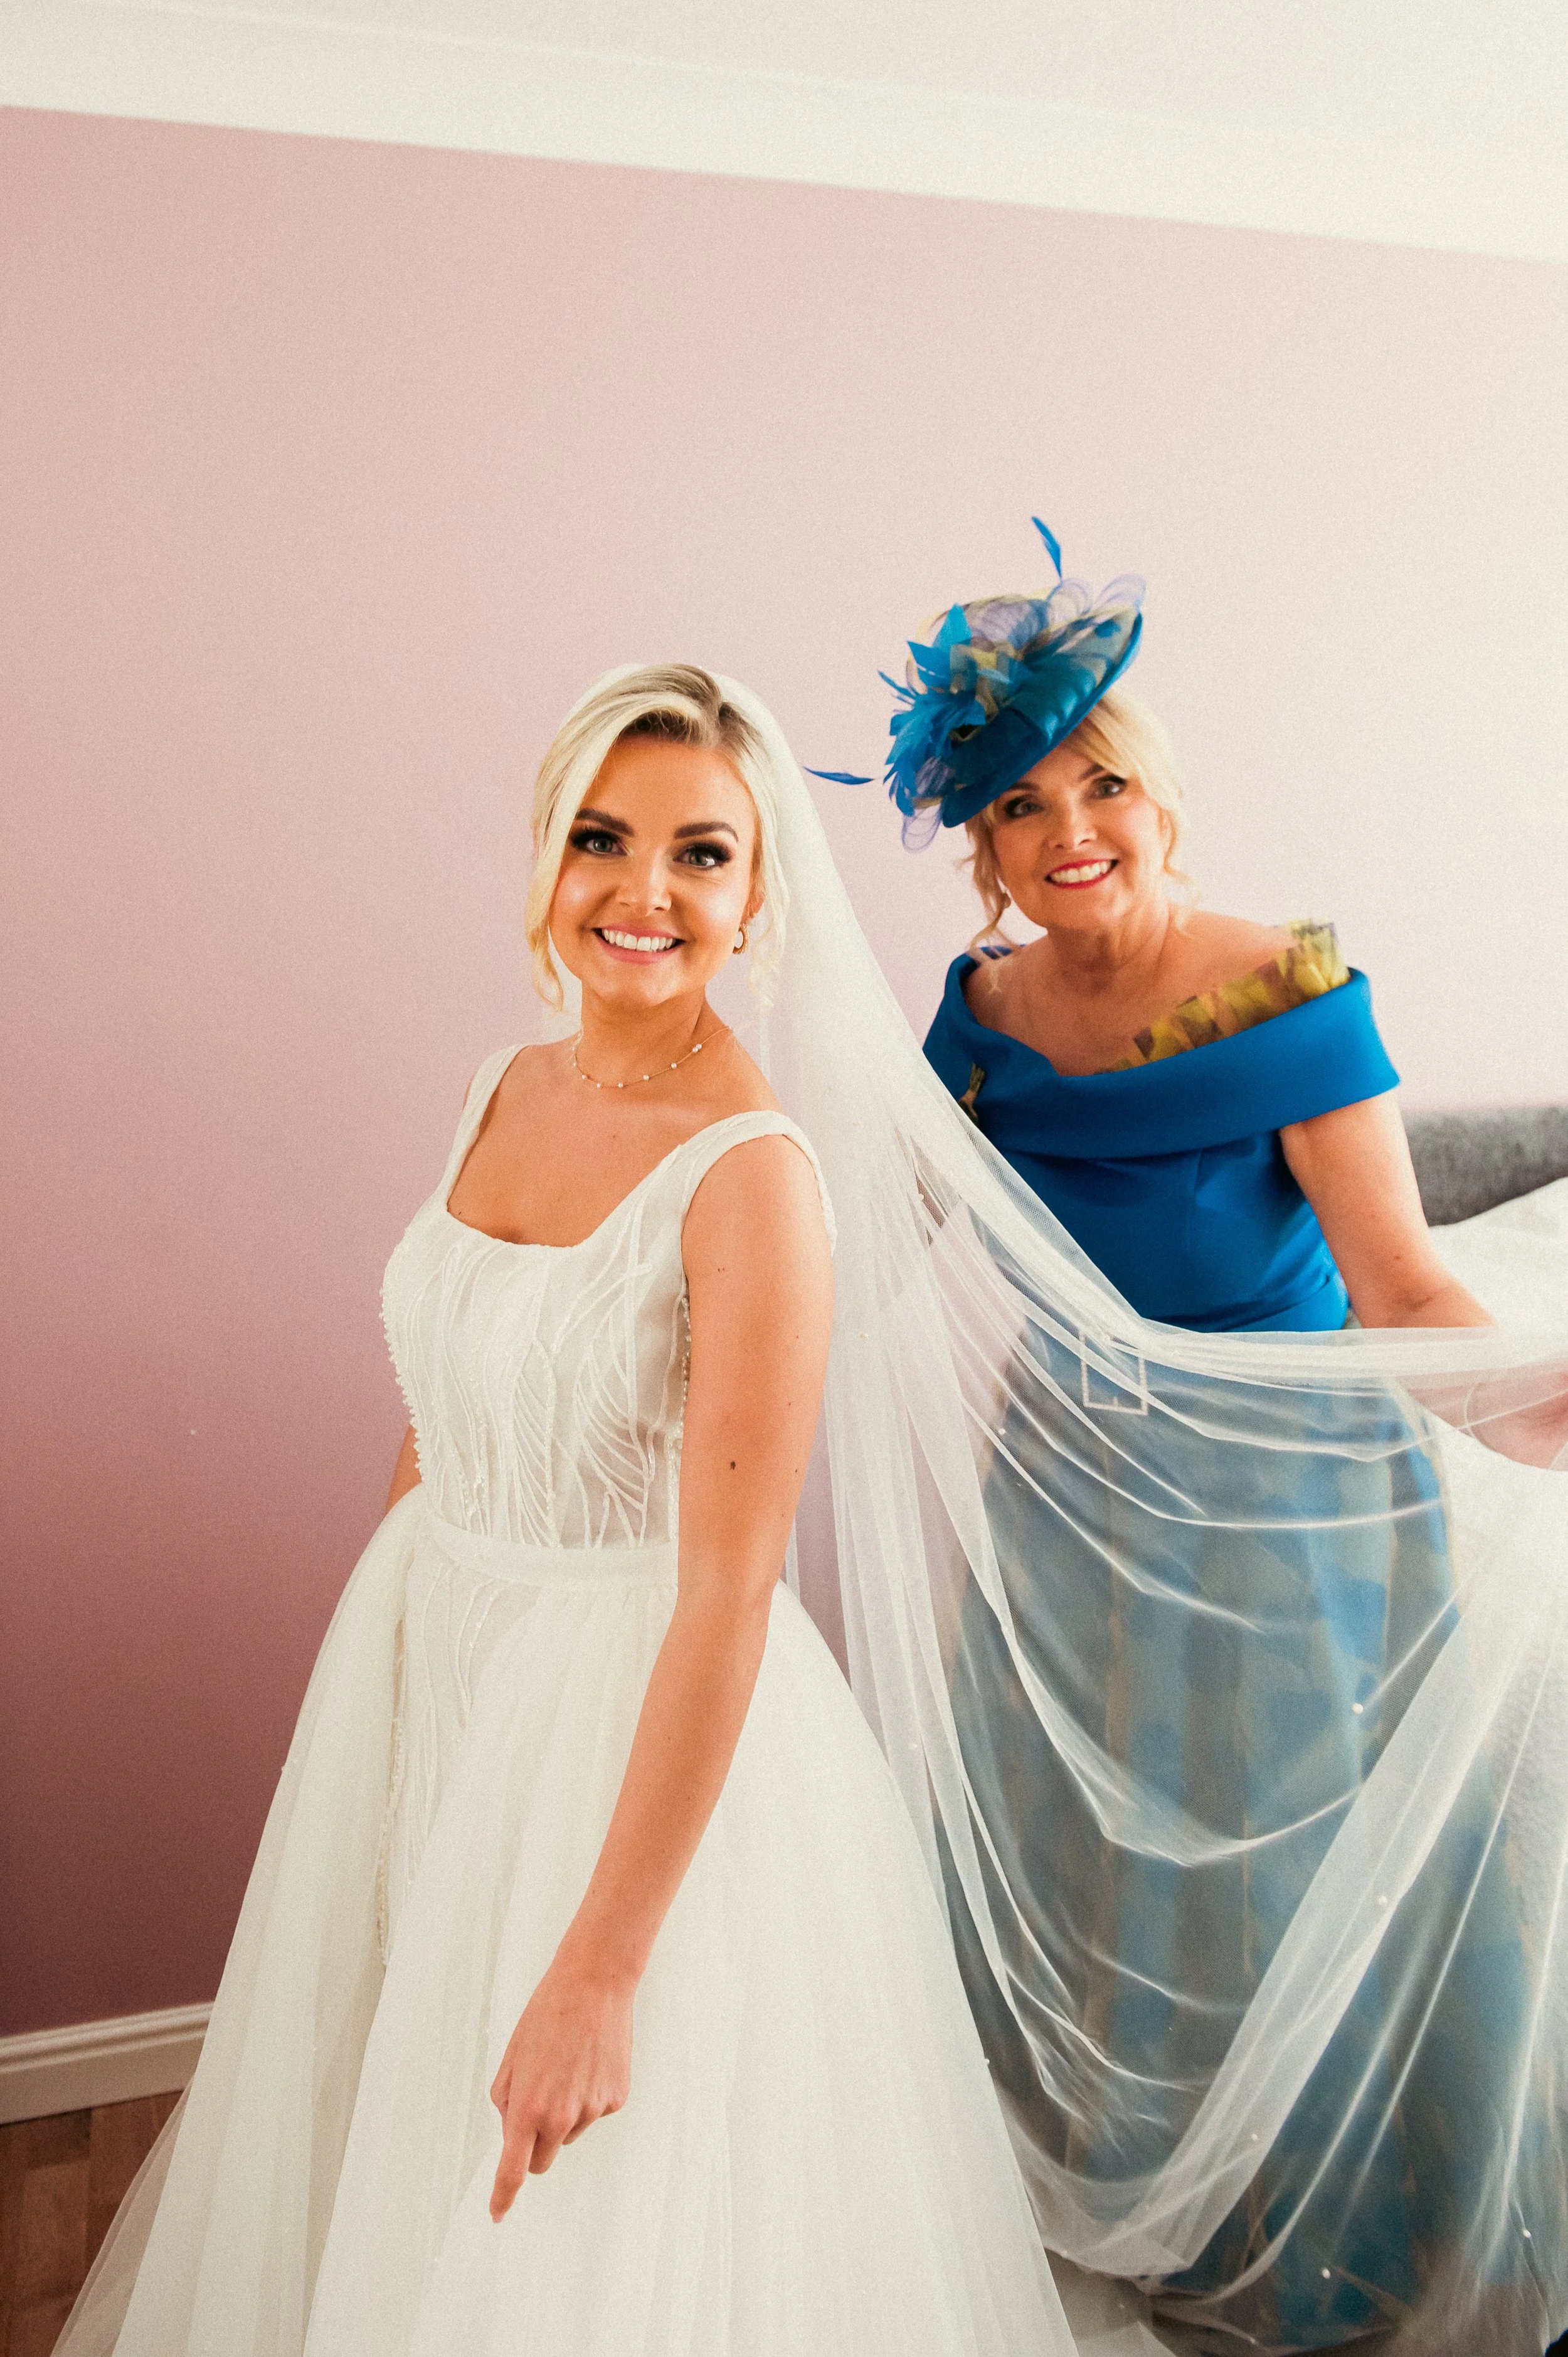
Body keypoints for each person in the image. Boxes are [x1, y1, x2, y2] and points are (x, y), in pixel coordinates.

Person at [59, 665, 1079, 2356]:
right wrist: (385, 1685)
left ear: (756, 900)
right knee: (387, 2131)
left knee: (570, 2230)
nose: (644, 892)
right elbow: (447, 1402)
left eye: (702, 854)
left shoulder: (754, 1178)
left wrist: (602, 1966)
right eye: (602, 837)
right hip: (432, 1663)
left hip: (625, 1725)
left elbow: (728, 1592)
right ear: (541, 854)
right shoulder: (502, 1087)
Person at [842, 521, 1568, 2351]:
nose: (1069, 823)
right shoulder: (977, 1024)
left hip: (1296, 1501)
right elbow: (875, 1251)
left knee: (1289, 1863)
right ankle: (1143, 2189)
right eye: (1018, 802)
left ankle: (1332, 2240)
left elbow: (1399, 1286)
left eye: (1101, 781)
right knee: (1096, 1859)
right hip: (1074, 1496)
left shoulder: (1289, 984)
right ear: (985, 854)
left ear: (1158, 797)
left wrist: (1532, 1405)